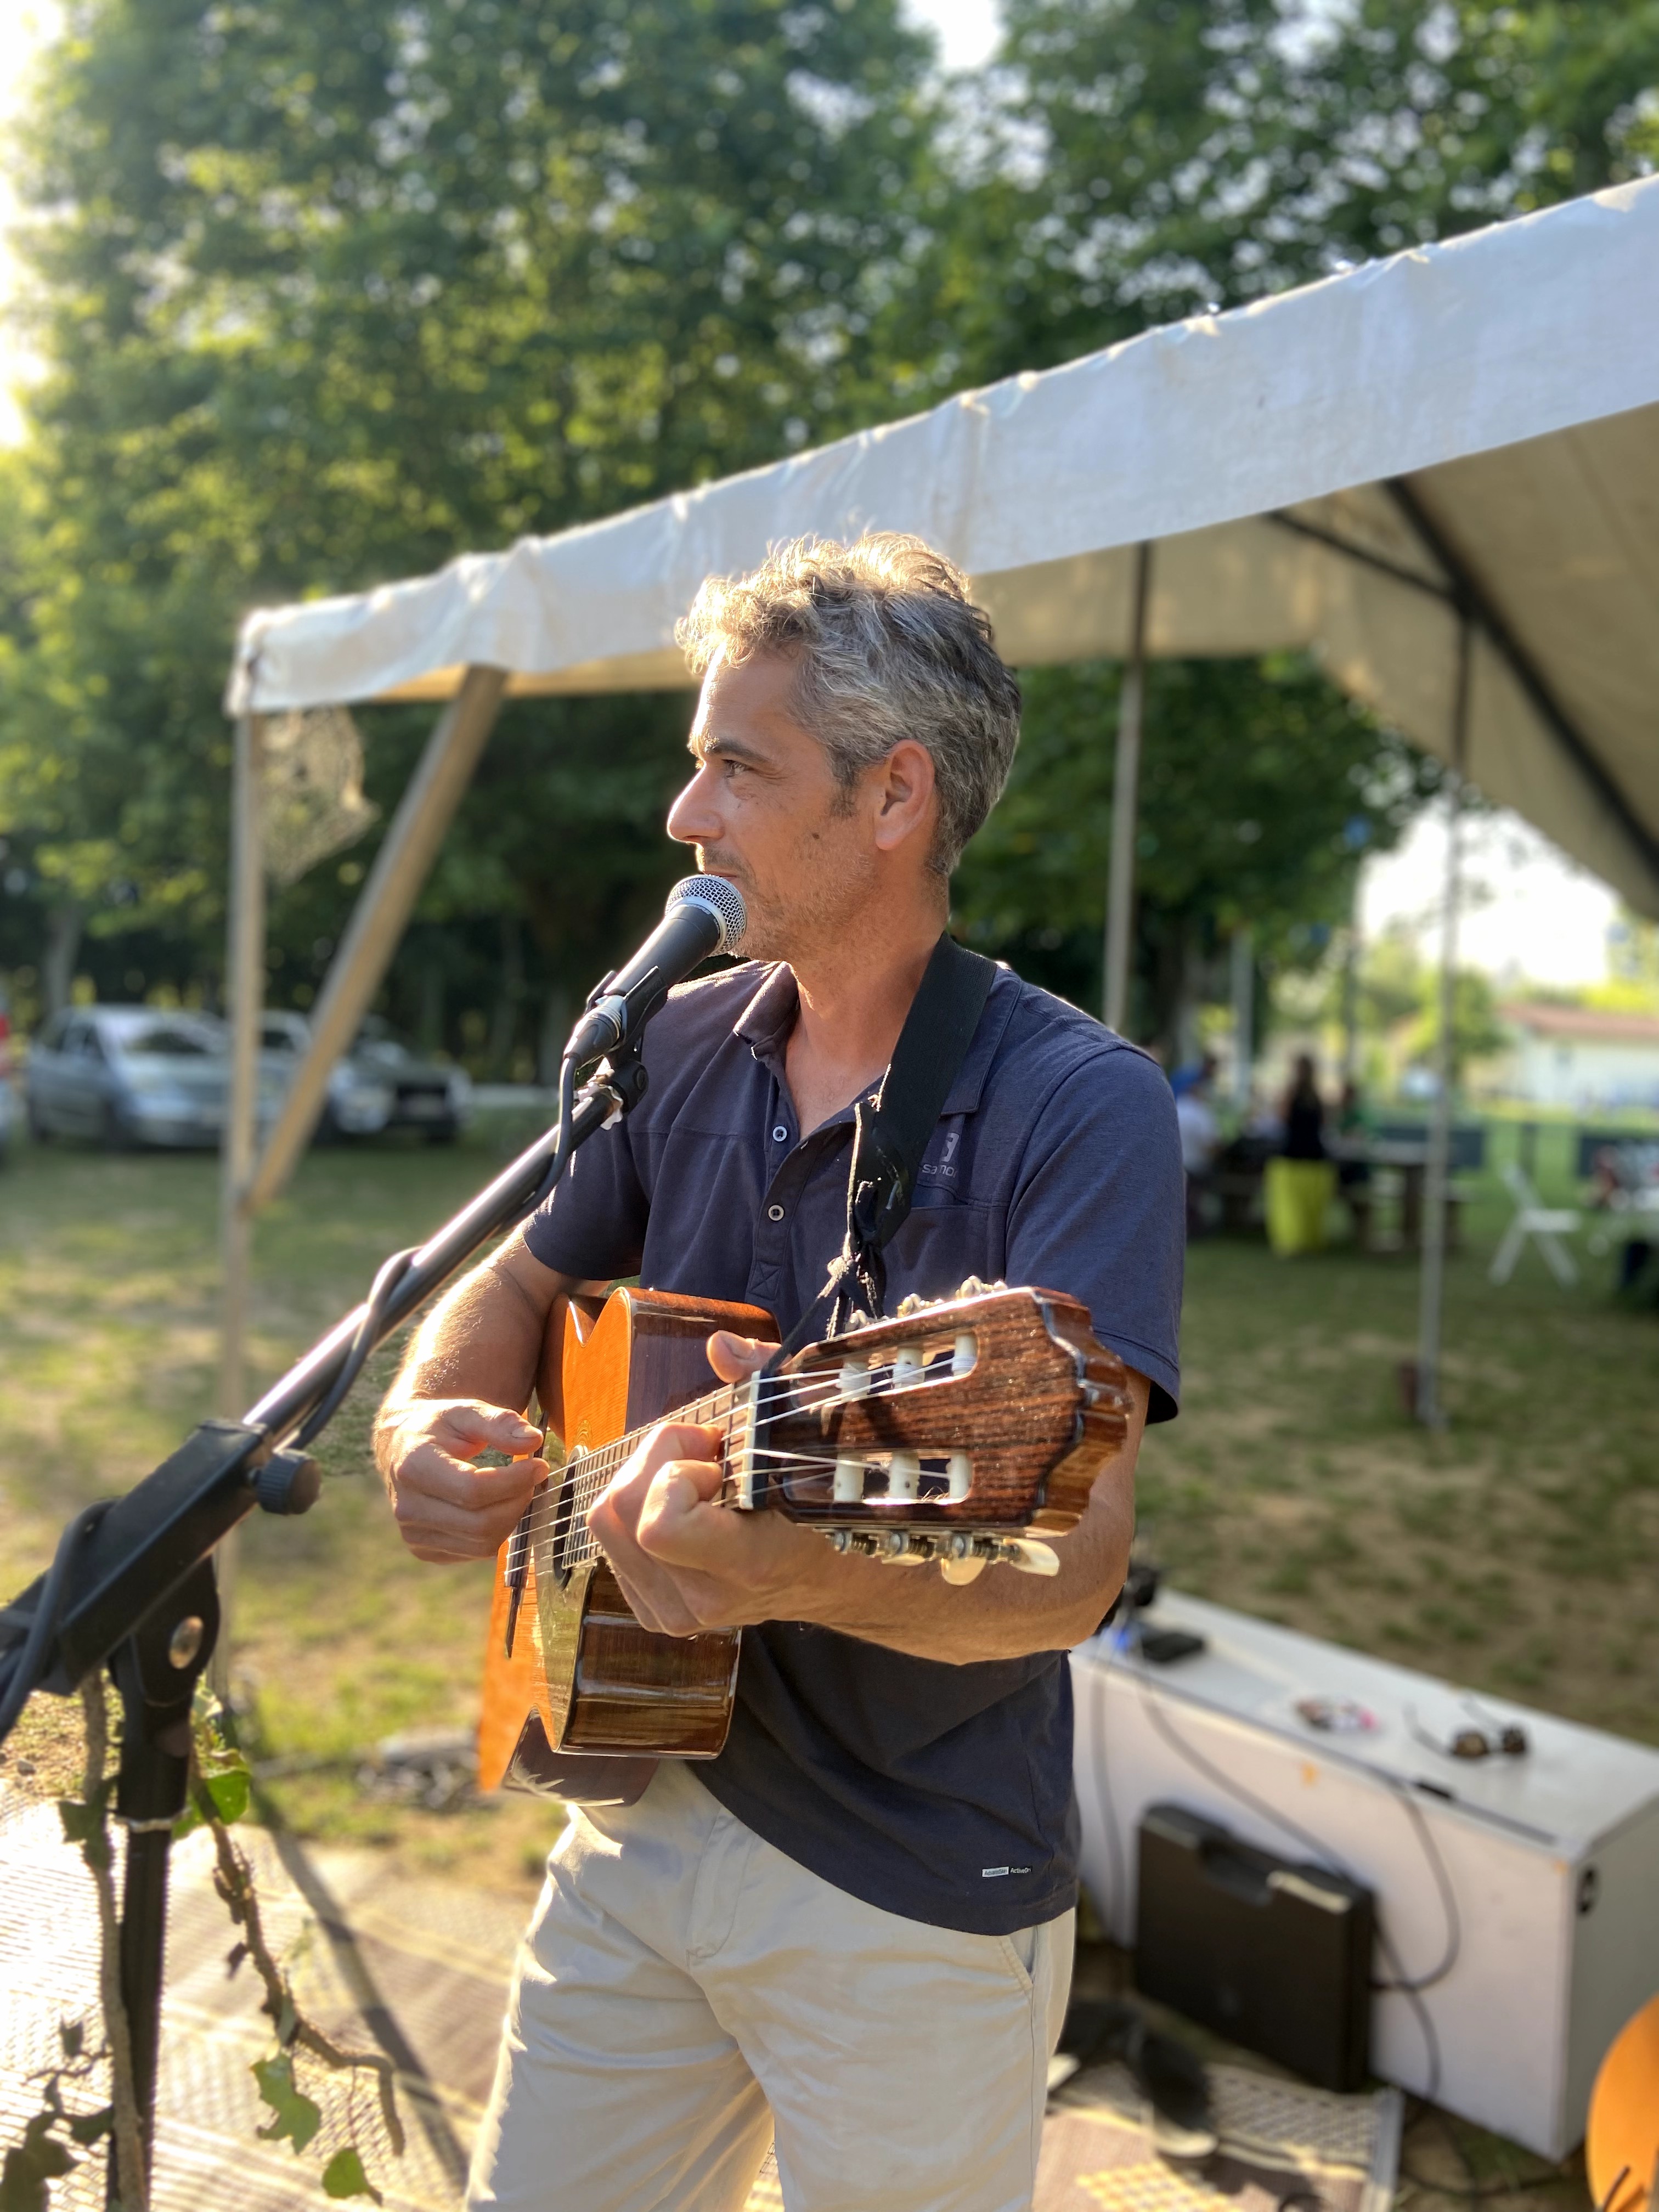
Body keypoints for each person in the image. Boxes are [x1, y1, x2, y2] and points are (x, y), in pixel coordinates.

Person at [373, 535, 1184, 2212]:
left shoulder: (1077, 1104)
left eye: (738, 768)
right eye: (698, 766)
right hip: (635, 1794)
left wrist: (785, 1568)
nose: (687, 814)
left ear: (895, 796)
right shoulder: (672, 1040)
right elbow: (515, 1278)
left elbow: (1078, 1570)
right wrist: (421, 1413)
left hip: (913, 1880)